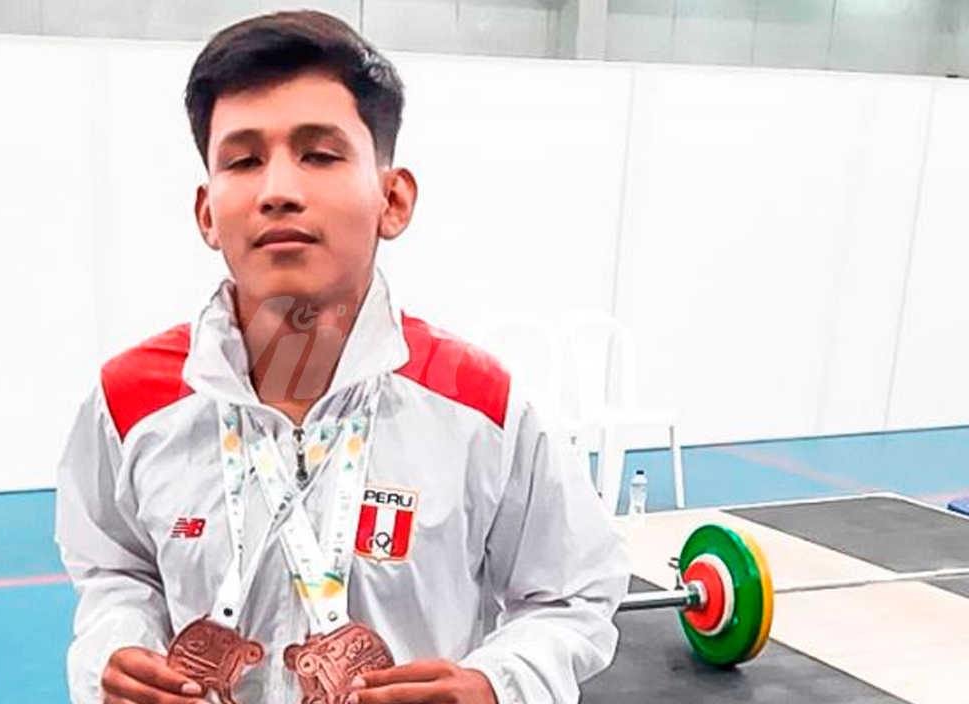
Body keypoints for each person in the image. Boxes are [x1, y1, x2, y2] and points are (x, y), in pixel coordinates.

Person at [55, 10, 629, 704]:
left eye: (320, 155)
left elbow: (574, 593)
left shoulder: (479, 408)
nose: (278, 190)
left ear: (393, 198)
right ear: (207, 212)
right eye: (243, 160)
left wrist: (497, 685)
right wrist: (116, 649)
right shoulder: (130, 403)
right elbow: (115, 571)